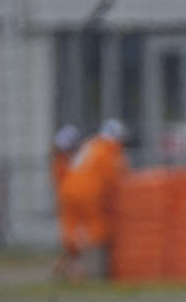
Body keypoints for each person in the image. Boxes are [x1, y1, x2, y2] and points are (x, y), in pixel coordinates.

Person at [63, 119, 128, 279]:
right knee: (96, 228)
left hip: (69, 189)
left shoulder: (91, 145)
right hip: (89, 193)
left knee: (74, 231)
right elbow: (113, 180)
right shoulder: (108, 151)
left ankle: (69, 265)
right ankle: (91, 271)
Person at [51, 125, 82, 278]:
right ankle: (64, 271)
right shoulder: (62, 164)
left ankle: (63, 270)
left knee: (73, 242)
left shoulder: (63, 162)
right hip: (70, 204)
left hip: (71, 204)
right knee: (72, 242)